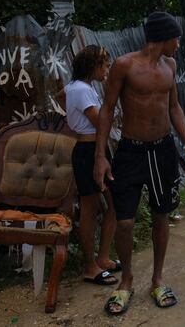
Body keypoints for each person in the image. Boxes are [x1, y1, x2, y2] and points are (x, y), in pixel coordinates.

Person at [93, 11, 185, 316]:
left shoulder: (170, 65)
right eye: (176, 38)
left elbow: (174, 107)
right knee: (124, 221)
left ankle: (157, 279)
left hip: (163, 150)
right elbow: (107, 108)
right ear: (163, 37)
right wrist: (100, 156)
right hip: (131, 151)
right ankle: (126, 280)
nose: (178, 44)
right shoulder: (124, 65)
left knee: (160, 215)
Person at [60, 45, 120, 286]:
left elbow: (60, 98)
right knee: (90, 208)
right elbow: (100, 120)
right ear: (92, 66)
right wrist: (111, 100)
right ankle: (90, 266)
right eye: (104, 65)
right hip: (88, 151)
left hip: (93, 148)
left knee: (112, 205)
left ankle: (102, 257)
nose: (107, 70)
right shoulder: (83, 90)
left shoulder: (75, 88)